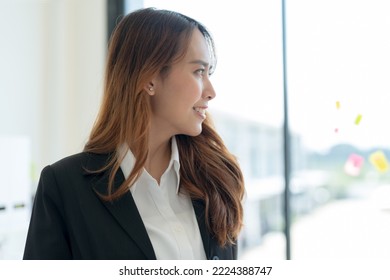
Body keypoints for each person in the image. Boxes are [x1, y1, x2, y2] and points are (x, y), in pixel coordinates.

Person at [23, 7, 245, 260]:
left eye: (209, 73)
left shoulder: (217, 180)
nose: (211, 91)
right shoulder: (64, 187)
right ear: (149, 78)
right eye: (198, 72)